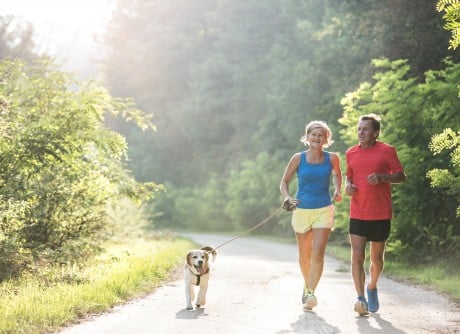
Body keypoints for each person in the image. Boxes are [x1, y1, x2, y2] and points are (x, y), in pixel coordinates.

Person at [345, 114, 406, 316]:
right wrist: (348, 186)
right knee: (357, 256)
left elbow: (401, 176)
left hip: (380, 212)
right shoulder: (351, 153)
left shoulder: (387, 151)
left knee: (377, 260)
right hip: (358, 211)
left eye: (365, 129)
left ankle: (372, 286)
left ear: (375, 132)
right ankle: (360, 297)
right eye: (359, 128)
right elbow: (350, 176)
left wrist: (382, 177)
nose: (360, 132)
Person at [280, 120, 342, 310]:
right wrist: (287, 197)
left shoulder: (332, 158)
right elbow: (284, 181)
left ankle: (310, 292)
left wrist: (338, 190)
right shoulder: (298, 158)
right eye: (313, 134)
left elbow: (337, 175)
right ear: (307, 137)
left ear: (326, 139)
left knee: (318, 253)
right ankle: (307, 286)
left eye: (320, 135)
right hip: (301, 210)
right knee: (304, 257)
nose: (317, 138)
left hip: (324, 209)